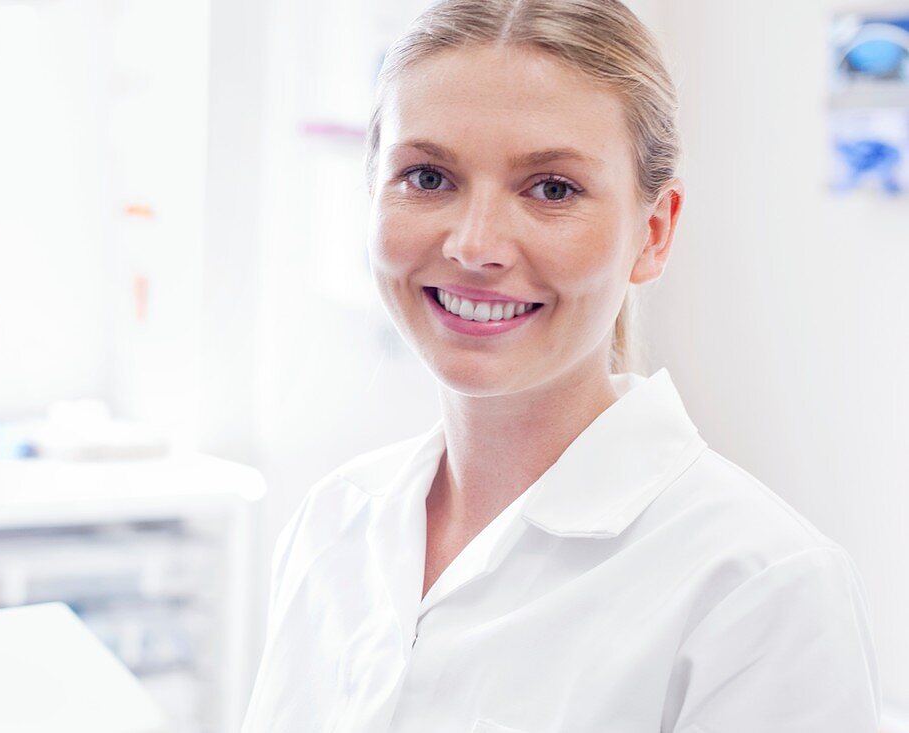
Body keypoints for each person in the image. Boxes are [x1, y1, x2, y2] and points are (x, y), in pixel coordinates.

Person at [241, 1, 882, 731]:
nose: (475, 244)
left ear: (654, 232)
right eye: (427, 177)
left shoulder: (759, 587)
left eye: (552, 188)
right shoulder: (334, 523)